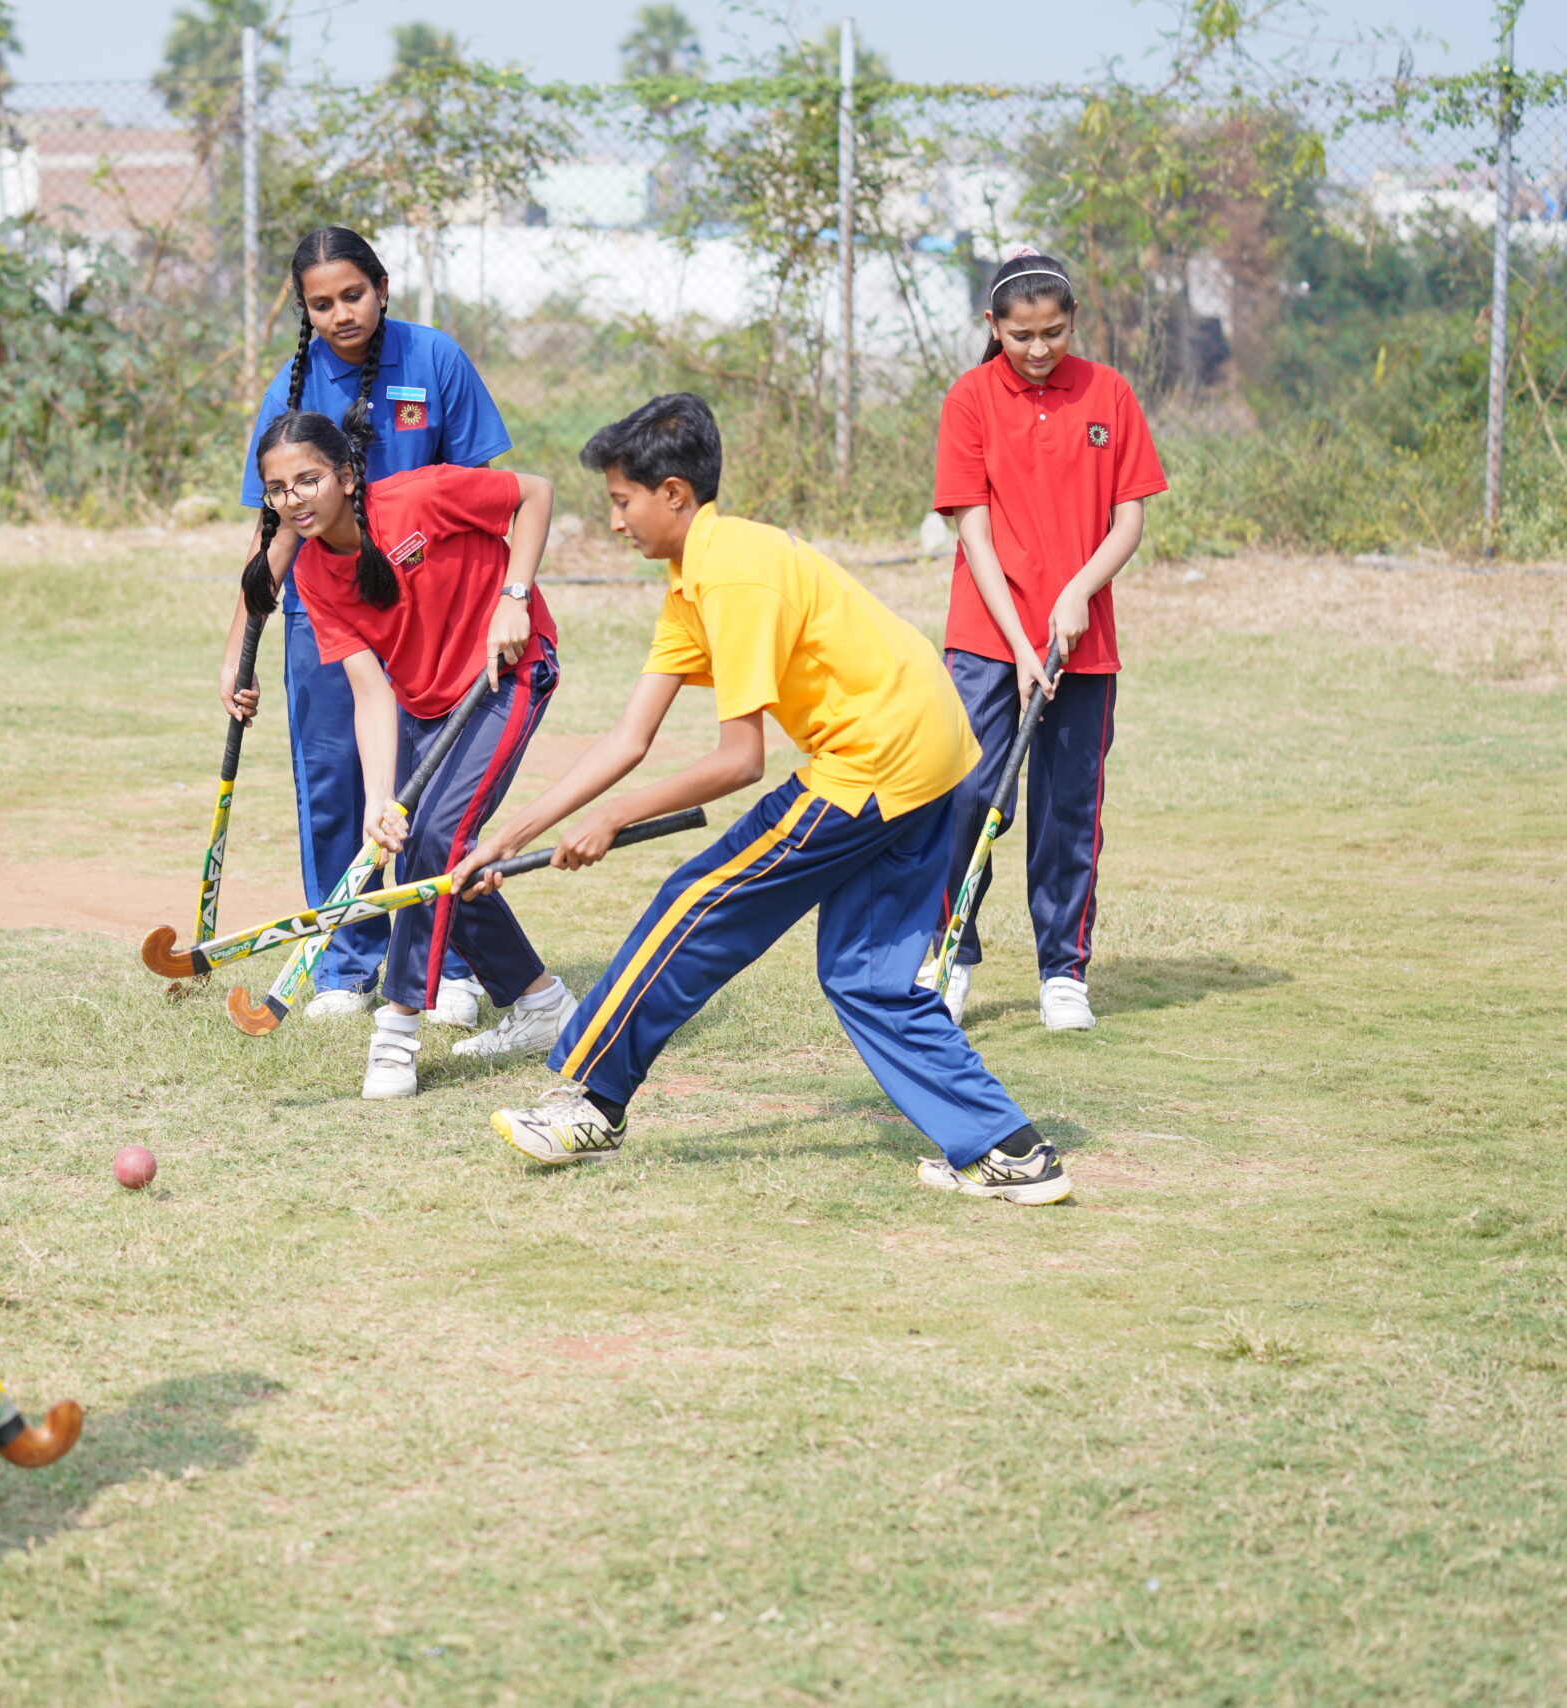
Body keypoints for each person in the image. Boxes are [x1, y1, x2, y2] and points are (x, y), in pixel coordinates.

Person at [457, 394, 1069, 1206]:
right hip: (934, 755)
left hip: (873, 761)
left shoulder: (737, 572)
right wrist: (511, 834)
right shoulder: (693, 583)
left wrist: (613, 819)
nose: (613, 523)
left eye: (620, 501)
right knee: (868, 978)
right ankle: (1008, 1150)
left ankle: (587, 1101)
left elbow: (739, 760)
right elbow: (627, 739)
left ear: (674, 493)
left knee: (700, 901)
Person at [219, 227, 513, 1028]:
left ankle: (445, 963)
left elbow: (485, 495)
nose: (341, 313)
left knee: (428, 787)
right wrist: (234, 654)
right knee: (334, 783)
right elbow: (271, 532)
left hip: (429, 612)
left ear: (381, 286)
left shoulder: (435, 359)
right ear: (304, 311)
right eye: (322, 303)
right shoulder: (293, 382)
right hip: (325, 606)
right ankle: (345, 960)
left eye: (353, 294)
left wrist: (501, 601)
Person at [243, 409, 569, 1099]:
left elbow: (534, 492)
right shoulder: (314, 577)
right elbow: (369, 692)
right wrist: (379, 801)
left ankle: (395, 1032)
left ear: (347, 474)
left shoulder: (419, 497)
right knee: (427, 849)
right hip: (425, 706)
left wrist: (515, 596)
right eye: (277, 488)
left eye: (308, 478)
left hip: (506, 671)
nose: (293, 498)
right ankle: (541, 1005)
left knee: (436, 843)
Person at [927, 249, 1166, 1032]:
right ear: (992, 326)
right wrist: (1022, 647)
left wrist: (1076, 593)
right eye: (1021, 334)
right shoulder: (969, 398)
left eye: (1053, 332)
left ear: (1073, 323)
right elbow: (973, 529)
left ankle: (1063, 972)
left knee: (1067, 808)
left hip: (1080, 643)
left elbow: (1128, 517)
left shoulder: (1109, 393)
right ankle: (949, 954)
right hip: (986, 638)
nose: (1037, 350)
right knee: (966, 795)